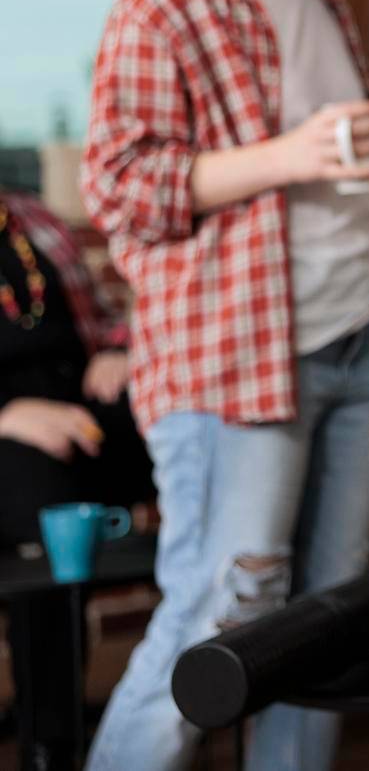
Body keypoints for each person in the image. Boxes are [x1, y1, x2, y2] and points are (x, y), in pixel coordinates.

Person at [78, 0, 369, 771]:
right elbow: (122, 185)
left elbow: (333, 171)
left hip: (353, 335)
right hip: (236, 365)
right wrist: (283, 154)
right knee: (217, 622)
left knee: (323, 624)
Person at [0, 187, 152, 770]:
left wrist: (116, 352)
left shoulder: (31, 221)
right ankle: (51, 742)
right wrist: (10, 415)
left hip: (75, 411)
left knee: (170, 433)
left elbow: (104, 321)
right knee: (46, 502)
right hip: (12, 435)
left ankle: (196, 680)